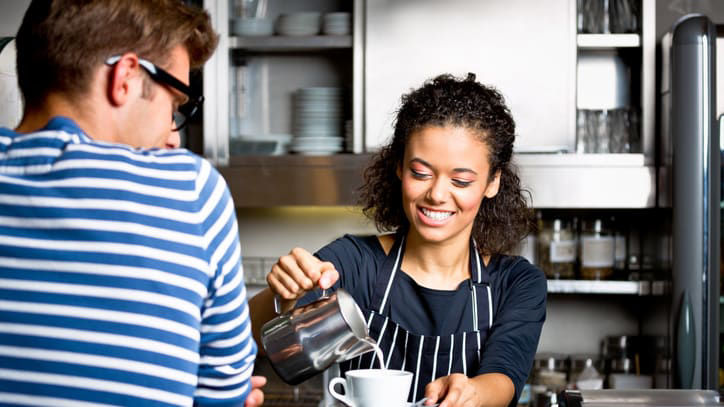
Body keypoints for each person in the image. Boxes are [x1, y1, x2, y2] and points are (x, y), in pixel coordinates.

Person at [0, 0, 265, 405]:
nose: (173, 136)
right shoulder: (190, 190)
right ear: (125, 77)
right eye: (175, 105)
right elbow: (222, 397)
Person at [250, 73, 547, 407]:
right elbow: (261, 340)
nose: (436, 194)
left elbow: (504, 376)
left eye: (461, 180)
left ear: (492, 182)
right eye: (420, 173)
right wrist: (282, 295)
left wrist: (472, 393)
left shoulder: (516, 283)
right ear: (398, 168)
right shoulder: (355, 262)